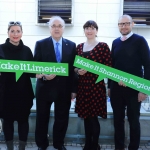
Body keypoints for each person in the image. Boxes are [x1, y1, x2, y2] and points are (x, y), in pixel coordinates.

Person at [34, 16, 77, 150]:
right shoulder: (40, 44)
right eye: (54, 26)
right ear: (49, 28)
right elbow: (36, 66)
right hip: (44, 88)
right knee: (42, 118)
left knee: (62, 119)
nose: (57, 28)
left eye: (59, 26)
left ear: (64, 28)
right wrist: (45, 76)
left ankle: (59, 143)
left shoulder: (71, 45)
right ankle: (42, 144)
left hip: (64, 90)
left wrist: (74, 90)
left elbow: (72, 70)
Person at [108, 15, 150, 150]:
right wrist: (109, 86)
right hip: (116, 89)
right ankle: (119, 147)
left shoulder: (140, 40)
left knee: (133, 121)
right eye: (121, 24)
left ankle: (133, 148)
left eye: (126, 23)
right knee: (117, 121)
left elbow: (148, 65)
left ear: (132, 24)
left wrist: (144, 89)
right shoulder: (115, 42)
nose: (123, 26)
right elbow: (111, 66)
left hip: (134, 89)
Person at [74, 20, 112, 150]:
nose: (89, 31)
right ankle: (87, 144)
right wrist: (78, 71)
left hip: (96, 87)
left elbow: (108, 66)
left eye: (92, 28)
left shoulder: (103, 46)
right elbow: (74, 67)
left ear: (96, 30)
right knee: (86, 118)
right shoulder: (79, 47)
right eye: (87, 28)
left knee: (93, 118)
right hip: (82, 87)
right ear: (84, 30)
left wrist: (92, 69)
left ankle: (95, 145)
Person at [0, 21, 34, 150]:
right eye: (12, 31)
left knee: (23, 121)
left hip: (23, 93)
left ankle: (22, 147)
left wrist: (45, 74)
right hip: (5, 93)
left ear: (22, 33)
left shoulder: (27, 50)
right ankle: (9, 148)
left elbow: (32, 71)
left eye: (18, 31)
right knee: (7, 121)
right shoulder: (0, 48)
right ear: (8, 33)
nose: (15, 34)